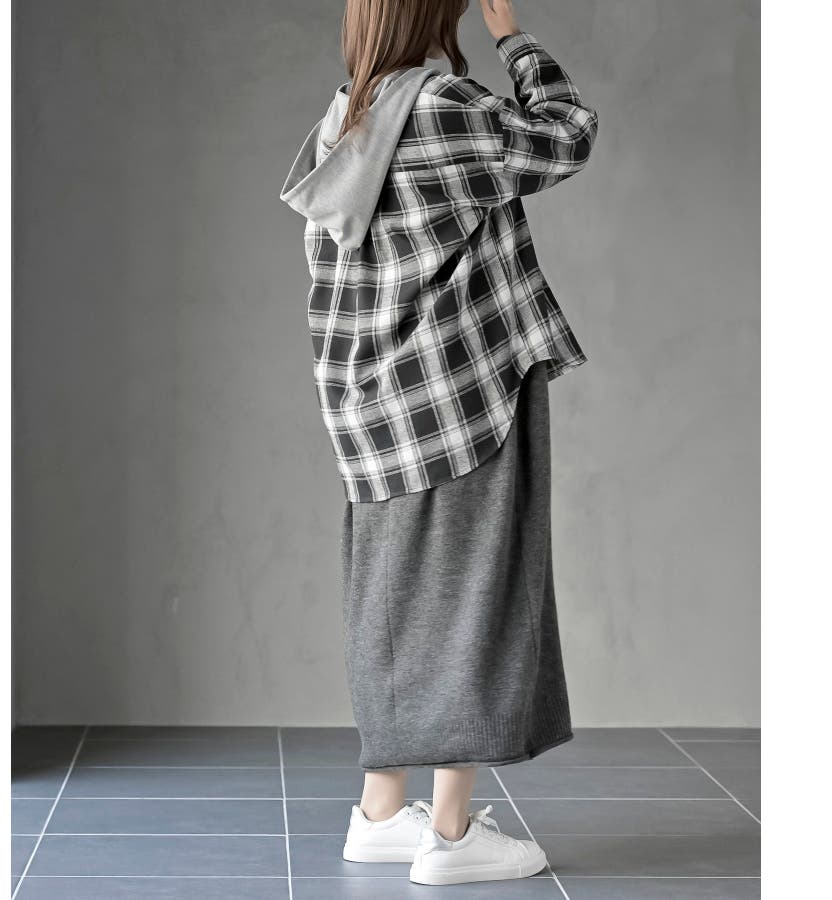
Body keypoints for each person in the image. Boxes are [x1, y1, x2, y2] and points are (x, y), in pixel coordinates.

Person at [280, 0, 598, 886]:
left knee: (392, 605)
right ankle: (452, 836)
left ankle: (382, 813)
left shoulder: (346, 117)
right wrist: (511, 35)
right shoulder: (443, 107)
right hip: (460, 394)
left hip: (370, 409)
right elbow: (566, 136)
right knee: (474, 599)